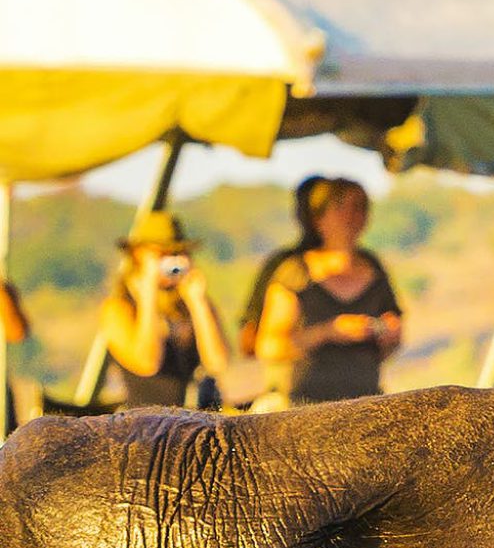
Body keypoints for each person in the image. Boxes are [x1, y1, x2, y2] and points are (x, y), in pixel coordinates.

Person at [253, 178, 402, 404]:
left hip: (365, 404)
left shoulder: (374, 269)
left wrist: (389, 336)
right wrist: (329, 331)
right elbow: (269, 347)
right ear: (318, 218)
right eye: (341, 207)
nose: (352, 216)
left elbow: (389, 347)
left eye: (360, 207)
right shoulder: (295, 271)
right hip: (301, 407)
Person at [101, 210, 232, 408]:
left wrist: (198, 303)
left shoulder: (189, 303)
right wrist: (148, 295)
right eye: (161, 254)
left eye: (177, 253)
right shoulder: (118, 308)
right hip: (142, 424)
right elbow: (146, 362)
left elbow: (218, 363)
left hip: (188, 419)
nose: (171, 261)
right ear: (138, 254)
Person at [240, 174, 331, 340]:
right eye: (309, 210)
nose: (313, 219)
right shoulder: (283, 265)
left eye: (320, 210)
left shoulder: (367, 266)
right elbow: (249, 338)